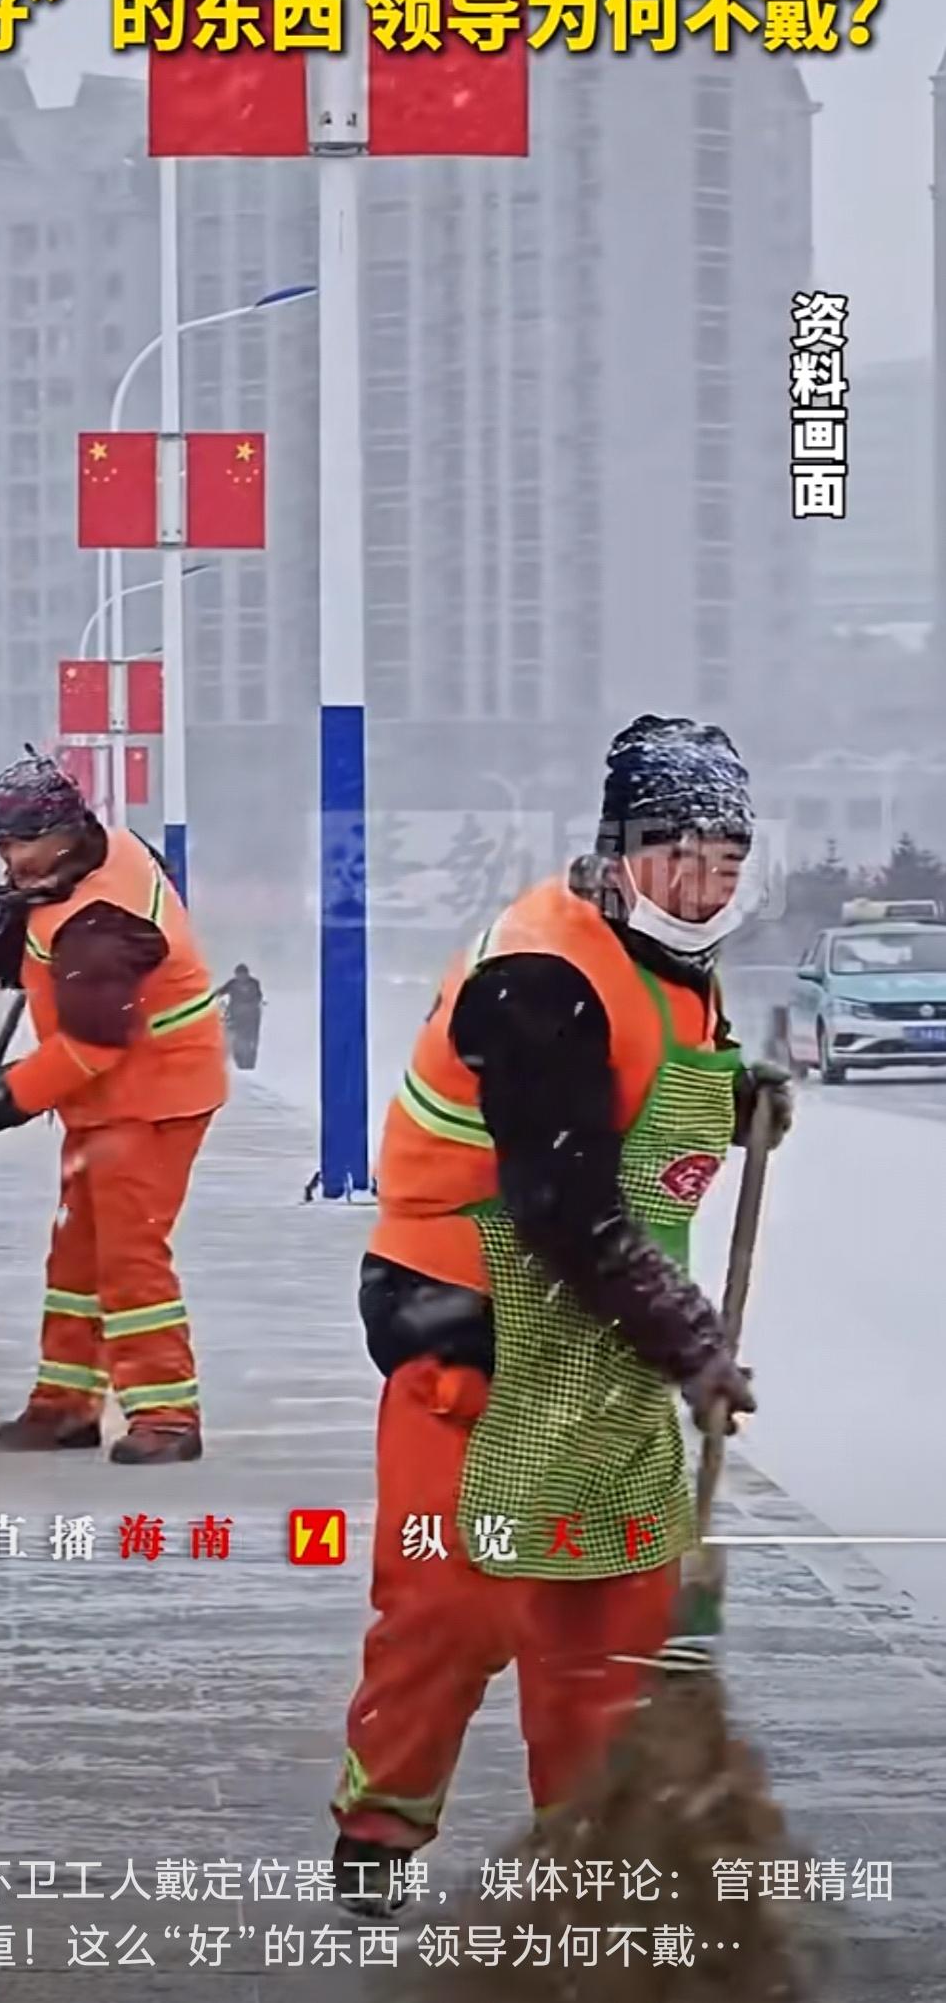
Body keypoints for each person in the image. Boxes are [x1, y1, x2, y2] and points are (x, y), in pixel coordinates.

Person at [330, 715, 794, 1916]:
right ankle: (380, 1830)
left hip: (600, 1336)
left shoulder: (673, 961)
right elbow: (563, 1202)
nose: (702, 885)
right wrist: (690, 1341)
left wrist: (734, 1101)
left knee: (611, 1615)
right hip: (472, 1328)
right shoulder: (537, 978)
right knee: (454, 1604)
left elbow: (633, 1105)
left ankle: (594, 1857)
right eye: (676, 856)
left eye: (726, 861)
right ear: (619, 850)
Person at [0, 750, 228, 1463]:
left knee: (130, 1256)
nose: (13, 860)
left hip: (155, 1096)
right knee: (75, 1255)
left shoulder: (100, 924)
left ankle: (167, 1415)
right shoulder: (110, 851)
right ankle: (64, 1406)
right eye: (4, 845)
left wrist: (4, 1098)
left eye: (27, 844)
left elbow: (95, 1043)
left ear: (69, 832)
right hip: (108, 1097)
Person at [215, 963, 264, 1070]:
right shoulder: (232, 983)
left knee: (251, 1040)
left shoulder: (254, 983)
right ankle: (238, 1061)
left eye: (243, 974)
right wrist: (215, 994)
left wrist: (248, 1006)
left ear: (247, 974)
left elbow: (258, 997)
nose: (241, 977)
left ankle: (250, 1063)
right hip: (235, 1016)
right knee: (235, 1038)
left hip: (251, 1018)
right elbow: (221, 991)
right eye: (239, 975)